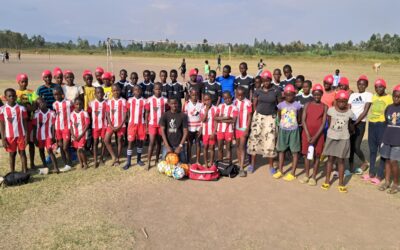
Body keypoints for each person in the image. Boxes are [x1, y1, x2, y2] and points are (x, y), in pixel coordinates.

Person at [247, 70, 281, 174]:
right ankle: (252, 164)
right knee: (254, 139)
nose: (266, 82)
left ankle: (271, 166)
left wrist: (277, 117)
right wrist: (257, 115)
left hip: (271, 118)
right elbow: (254, 104)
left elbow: (279, 105)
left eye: (268, 80)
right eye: (264, 80)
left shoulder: (276, 90)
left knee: (270, 141)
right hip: (259, 117)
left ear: (271, 80)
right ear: (262, 80)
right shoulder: (258, 91)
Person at [321, 90, 355, 193]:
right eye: (339, 101)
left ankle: (341, 183)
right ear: (336, 101)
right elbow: (330, 122)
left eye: (344, 101)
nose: (341, 103)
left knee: (341, 160)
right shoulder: (331, 110)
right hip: (331, 137)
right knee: (330, 159)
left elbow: (350, 125)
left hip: (343, 138)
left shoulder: (349, 113)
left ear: (347, 102)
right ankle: (327, 180)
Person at [365, 79, 392, 185]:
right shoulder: (374, 96)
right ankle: (371, 172)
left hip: (382, 125)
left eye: (380, 86)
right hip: (371, 124)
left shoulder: (389, 98)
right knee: (372, 150)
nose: (378, 89)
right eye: (376, 87)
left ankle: (380, 175)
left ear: (385, 87)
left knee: (382, 151)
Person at [299, 84, 327, 185]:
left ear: (321, 95)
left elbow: (323, 123)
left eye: (319, 95)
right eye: (315, 94)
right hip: (307, 134)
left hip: (318, 136)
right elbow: (303, 120)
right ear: (312, 94)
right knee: (306, 155)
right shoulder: (307, 105)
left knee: (317, 156)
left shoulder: (324, 107)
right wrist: (307, 134)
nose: (316, 97)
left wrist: (315, 137)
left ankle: (314, 177)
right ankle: (307, 175)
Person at [274, 85, 302, 181]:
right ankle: (280, 171)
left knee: (294, 152)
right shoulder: (281, 105)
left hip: (294, 130)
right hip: (283, 130)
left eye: (291, 95)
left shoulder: (297, 105)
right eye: (287, 95)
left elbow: (299, 118)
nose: (289, 97)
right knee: (281, 150)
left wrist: (294, 124)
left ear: (294, 94)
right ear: (284, 94)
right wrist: (282, 124)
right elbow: (279, 114)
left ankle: (292, 173)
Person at [378, 84, 400, 194]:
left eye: (399, 97)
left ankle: (396, 184)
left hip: (398, 141)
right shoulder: (389, 107)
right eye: (395, 96)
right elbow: (387, 123)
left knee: (394, 161)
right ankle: (387, 182)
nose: (396, 98)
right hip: (387, 138)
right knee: (386, 160)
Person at [0, 88, 28, 173]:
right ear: (5, 97)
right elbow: (2, 125)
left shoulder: (21, 108)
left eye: (13, 96)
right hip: (9, 136)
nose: (12, 97)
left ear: (16, 97)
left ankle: (25, 171)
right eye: (9, 96)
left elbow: (25, 123)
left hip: (21, 135)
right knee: (12, 154)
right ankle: (12, 172)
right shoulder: (2, 109)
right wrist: (3, 138)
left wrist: (26, 135)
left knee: (22, 153)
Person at [348, 75, 372, 174]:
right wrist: (349, 123)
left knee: (356, 146)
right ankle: (350, 168)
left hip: (360, 123)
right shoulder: (352, 95)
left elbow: (365, 111)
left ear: (366, 85)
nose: (361, 86)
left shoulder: (368, 95)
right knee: (350, 146)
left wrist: (355, 123)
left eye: (363, 84)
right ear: (357, 84)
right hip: (351, 122)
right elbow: (349, 109)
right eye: (359, 84)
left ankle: (365, 162)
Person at [16, 73, 37, 170]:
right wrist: (27, 107)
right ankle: (24, 165)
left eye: (26, 81)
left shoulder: (31, 92)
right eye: (22, 82)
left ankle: (32, 163)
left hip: (30, 121)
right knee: (23, 144)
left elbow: (35, 105)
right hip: (19, 124)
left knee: (31, 143)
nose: (24, 83)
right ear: (18, 82)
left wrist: (28, 108)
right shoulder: (15, 94)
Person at [146, 82, 168, 169]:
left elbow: (167, 113)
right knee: (151, 143)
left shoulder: (165, 100)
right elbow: (147, 113)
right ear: (153, 90)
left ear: (162, 90)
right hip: (152, 124)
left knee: (159, 143)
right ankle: (148, 161)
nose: (158, 91)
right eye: (156, 89)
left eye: (159, 89)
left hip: (161, 125)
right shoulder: (149, 100)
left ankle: (156, 160)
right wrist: (147, 126)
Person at [33, 97, 58, 173]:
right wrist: (34, 138)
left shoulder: (52, 113)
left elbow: (53, 125)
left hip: (48, 136)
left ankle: (56, 167)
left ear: (45, 102)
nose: (42, 104)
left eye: (43, 102)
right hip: (39, 136)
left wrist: (53, 136)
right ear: (38, 106)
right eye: (39, 103)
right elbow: (34, 127)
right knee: (41, 151)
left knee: (49, 150)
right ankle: (45, 165)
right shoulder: (36, 114)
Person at [124, 85, 146, 170]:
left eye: (139, 90)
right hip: (132, 124)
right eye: (135, 90)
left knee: (140, 142)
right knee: (130, 142)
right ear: (133, 92)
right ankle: (128, 162)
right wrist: (129, 120)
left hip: (141, 124)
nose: (137, 91)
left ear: (141, 91)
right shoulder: (130, 100)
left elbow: (146, 113)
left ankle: (139, 160)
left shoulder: (144, 101)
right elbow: (128, 111)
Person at [160, 98, 188, 163]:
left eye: (175, 103)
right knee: (164, 163)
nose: (174, 105)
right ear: (169, 104)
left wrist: (180, 146)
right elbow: (162, 131)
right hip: (168, 144)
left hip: (179, 144)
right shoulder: (165, 115)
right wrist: (167, 146)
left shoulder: (183, 115)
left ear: (178, 104)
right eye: (172, 104)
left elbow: (185, 132)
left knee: (183, 163)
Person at [105, 84, 127, 166]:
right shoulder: (109, 101)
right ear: (111, 92)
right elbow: (107, 114)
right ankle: (113, 156)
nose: (116, 92)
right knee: (106, 140)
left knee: (120, 140)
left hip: (121, 125)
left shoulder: (123, 101)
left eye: (117, 90)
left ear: (120, 91)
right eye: (114, 91)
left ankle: (117, 158)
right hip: (111, 125)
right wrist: (110, 125)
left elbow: (125, 114)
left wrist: (120, 125)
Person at [53, 87, 73, 171]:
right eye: (54, 94)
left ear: (62, 94)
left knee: (65, 147)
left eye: (58, 94)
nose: (56, 96)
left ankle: (69, 163)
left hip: (66, 127)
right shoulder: (54, 104)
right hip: (58, 128)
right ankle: (65, 163)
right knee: (61, 146)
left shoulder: (69, 103)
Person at [215, 91, 238, 165]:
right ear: (223, 99)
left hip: (229, 130)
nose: (227, 100)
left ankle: (228, 164)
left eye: (228, 98)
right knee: (220, 147)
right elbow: (215, 117)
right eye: (225, 98)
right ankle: (220, 164)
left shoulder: (234, 107)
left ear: (231, 97)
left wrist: (220, 118)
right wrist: (226, 117)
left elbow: (233, 120)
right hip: (220, 130)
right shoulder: (220, 106)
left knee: (228, 148)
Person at [234, 87, 252, 177]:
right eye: (238, 95)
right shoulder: (234, 102)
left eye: (241, 95)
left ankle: (241, 167)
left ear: (244, 94)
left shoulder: (248, 102)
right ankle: (239, 162)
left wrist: (247, 128)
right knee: (237, 146)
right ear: (236, 94)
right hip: (236, 128)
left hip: (243, 128)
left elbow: (249, 116)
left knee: (242, 146)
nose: (240, 97)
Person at [88, 87, 108, 167]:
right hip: (95, 127)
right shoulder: (91, 103)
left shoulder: (106, 103)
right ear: (95, 94)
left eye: (101, 93)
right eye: (98, 93)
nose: (99, 94)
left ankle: (101, 158)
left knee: (103, 142)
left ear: (103, 94)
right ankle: (95, 159)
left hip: (104, 126)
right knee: (95, 143)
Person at [182, 89, 203, 164]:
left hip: (198, 128)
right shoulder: (186, 104)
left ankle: (197, 160)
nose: (194, 97)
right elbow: (184, 117)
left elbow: (202, 117)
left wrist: (201, 128)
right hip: (189, 128)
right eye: (193, 95)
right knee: (189, 144)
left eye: (196, 95)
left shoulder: (201, 104)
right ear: (190, 95)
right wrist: (186, 128)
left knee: (198, 144)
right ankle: (189, 160)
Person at [70, 98, 90, 169]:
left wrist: (81, 135)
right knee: (77, 150)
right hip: (75, 135)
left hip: (83, 135)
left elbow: (87, 125)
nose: (78, 106)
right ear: (74, 105)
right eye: (77, 104)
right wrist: (72, 135)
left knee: (81, 149)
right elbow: (71, 126)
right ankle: (81, 163)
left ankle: (85, 163)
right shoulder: (72, 114)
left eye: (80, 104)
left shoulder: (84, 113)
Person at [200, 93, 218, 167]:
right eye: (205, 100)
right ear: (204, 101)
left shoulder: (216, 109)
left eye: (209, 100)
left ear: (211, 100)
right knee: (205, 147)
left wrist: (214, 132)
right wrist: (206, 111)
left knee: (212, 148)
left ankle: (211, 162)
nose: (207, 102)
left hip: (212, 132)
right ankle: (206, 163)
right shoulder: (202, 109)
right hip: (205, 132)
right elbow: (203, 120)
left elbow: (217, 122)